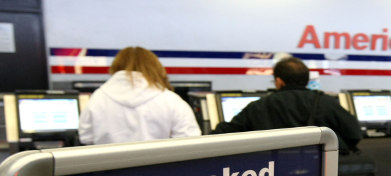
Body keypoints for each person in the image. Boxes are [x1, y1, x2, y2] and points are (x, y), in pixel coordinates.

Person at [210, 57, 362, 154]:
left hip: (272, 175)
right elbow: (354, 134)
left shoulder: (259, 106)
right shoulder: (326, 103)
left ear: (280, 81)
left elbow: (224, 133)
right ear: (307, 80)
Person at [79, 47, 201, 145]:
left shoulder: (98, 98)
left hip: (108, 173)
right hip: (159, 174)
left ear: (116, 66)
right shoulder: (171, 100)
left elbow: (86, 138)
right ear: (156, 67)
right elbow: (190, 142)